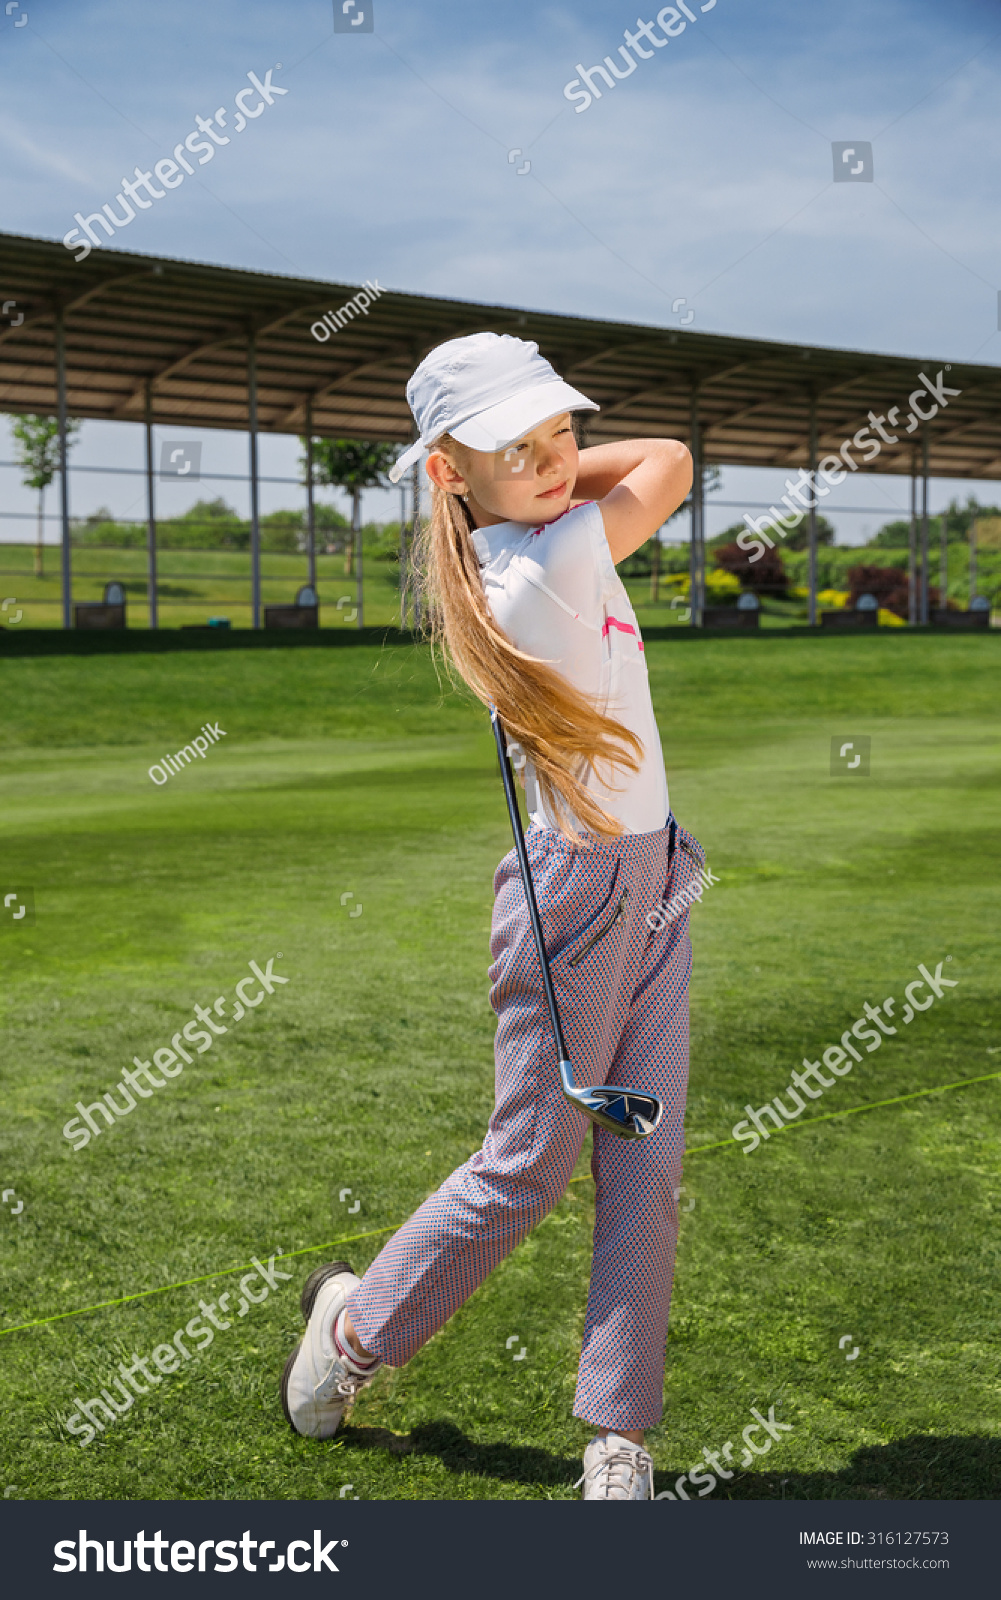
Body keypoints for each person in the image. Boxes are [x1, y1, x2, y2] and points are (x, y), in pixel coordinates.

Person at [282, 332, 703, 1500]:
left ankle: (616, 1429)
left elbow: (621, 469)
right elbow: (665, 457)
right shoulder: (545, 560)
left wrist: (507, 469)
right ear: (445, 472)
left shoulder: (531, 535)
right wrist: (513, 478)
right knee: (530, 1164)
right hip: (579, 900)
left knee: (645, 1156)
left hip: (654, 874)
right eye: (514, 444)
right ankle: (354, 1334)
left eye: (562, 429)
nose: (556, 457)